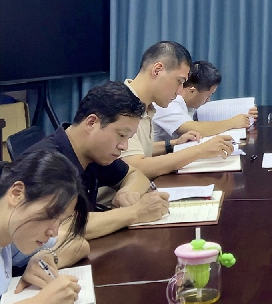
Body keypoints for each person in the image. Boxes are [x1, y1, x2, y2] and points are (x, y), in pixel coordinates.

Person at [25, 82, 171, 240]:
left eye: (128, 138)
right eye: (121, 135)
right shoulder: (47, 162)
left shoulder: (94, 153)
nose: (124, 146)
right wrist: (135, 212)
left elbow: (135, 174)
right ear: (91, 123)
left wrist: (127, 192)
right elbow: (57, 228)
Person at [122, 42, 234, 179]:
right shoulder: (122, 106)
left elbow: (141, 150)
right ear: (157, 70)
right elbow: (135, 168)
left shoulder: (146, 106)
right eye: (179, 81)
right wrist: (199, 150)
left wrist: (173, 144)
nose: (180, 91)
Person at [0, 150, 90, 304]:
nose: (53, 232)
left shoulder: (11, 235)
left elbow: (79, 244)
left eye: (61, 221)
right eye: (50, 214)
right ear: (17, 193)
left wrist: (48, 256)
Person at [153, 60, 258, 140]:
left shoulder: (188, 102)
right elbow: (196, 129)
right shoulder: (168, 102)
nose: (208, 100)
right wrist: (232, 122)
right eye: (208, 95)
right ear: (192, 91)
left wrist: (246, 111)